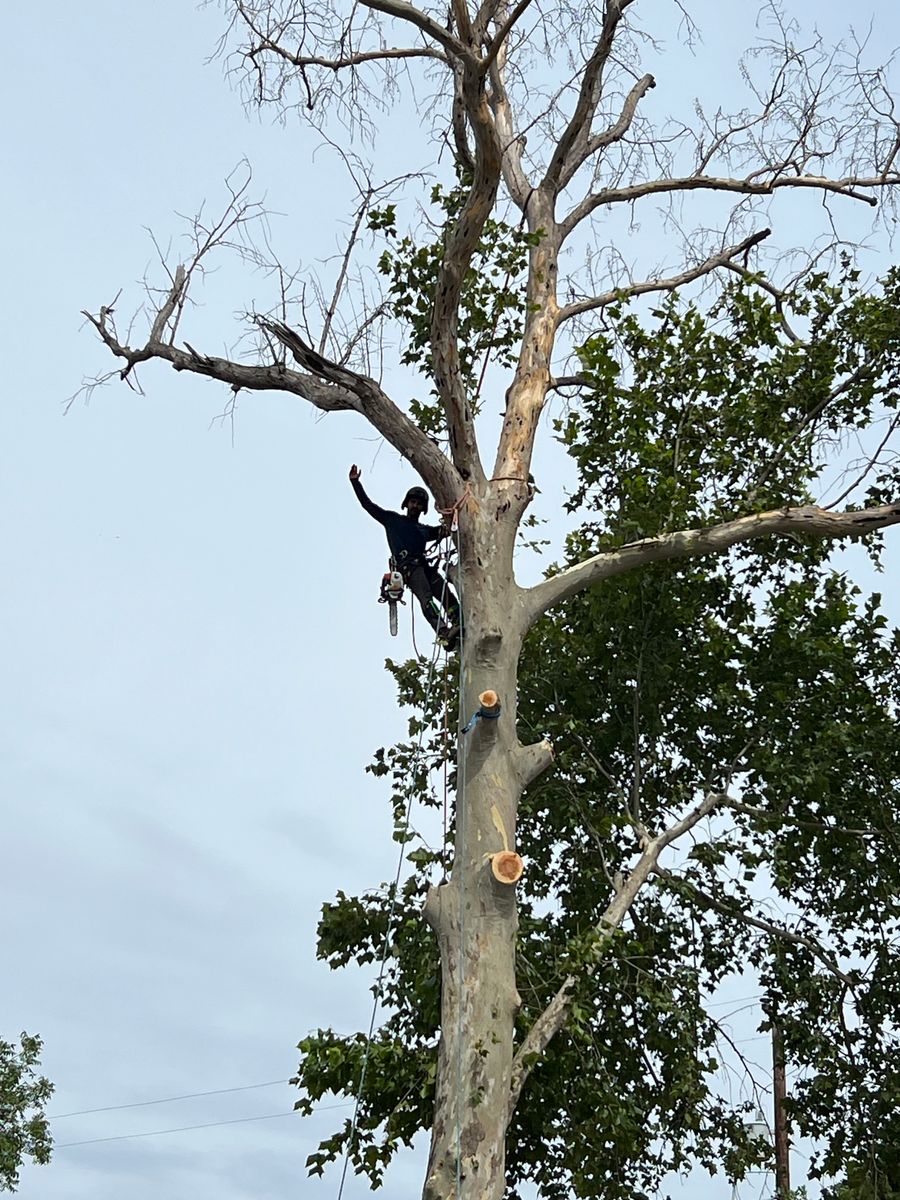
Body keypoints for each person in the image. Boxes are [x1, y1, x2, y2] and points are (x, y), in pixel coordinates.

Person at [349, 465, 461, 649]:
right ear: (406, 504)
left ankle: (458, 621)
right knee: (426, 600)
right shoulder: (392, 520)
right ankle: (443, 632)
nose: (415, 506)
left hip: (425, 567)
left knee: (445, 594)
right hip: (411, 570)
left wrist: (457, 512)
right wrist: (355, 483)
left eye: (419, 504)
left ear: (423, 509)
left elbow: (446, 530)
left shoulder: (424, 530)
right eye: (413, 502)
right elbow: (368, 505)